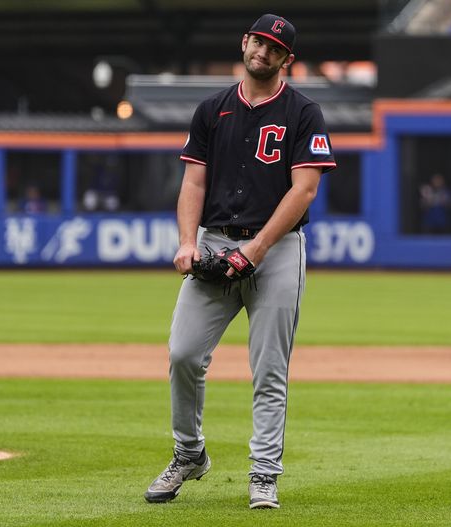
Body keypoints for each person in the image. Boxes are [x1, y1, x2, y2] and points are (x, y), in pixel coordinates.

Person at [144, 14, 336, 510]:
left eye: (275, 48)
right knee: (184, 354)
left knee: (269, 370)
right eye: (259, 41)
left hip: (277, 248)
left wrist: (258, 249)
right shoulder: (212, 109)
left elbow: (306, 188)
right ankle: (189, 453)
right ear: (245, 42)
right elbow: (193, 182)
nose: (264, 52)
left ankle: (265, 473)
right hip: (214, 240)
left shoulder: (304, 112)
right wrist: (188, 242)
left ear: (286, 59)